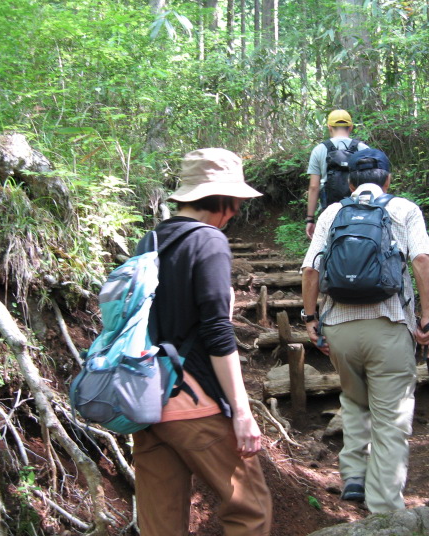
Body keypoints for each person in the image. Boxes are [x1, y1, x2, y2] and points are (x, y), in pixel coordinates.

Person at [132, 148, 272, 536]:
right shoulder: (208, 241)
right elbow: (216, 330)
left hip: (145, 402)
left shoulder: (150, 241)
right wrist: (241, 412)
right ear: (224, 201)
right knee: (250, 510)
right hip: (195, 403)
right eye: (238, 201)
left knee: (160, 524)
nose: (238, 209)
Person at [300, 148, 429, 513]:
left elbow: (311, 270)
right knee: (391, 419)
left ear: (349, 183)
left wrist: (311, 319)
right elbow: (422, 259)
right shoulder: (404, 209)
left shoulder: (333, 211)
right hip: (389, 326)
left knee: (354, 399)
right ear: (388, 180)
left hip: (340, 330)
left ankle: (354, 478)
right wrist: (427, 317)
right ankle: (384, 508)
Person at [305, 109, 369, 239]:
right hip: (359, 207)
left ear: (329, 127)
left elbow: (313, 187)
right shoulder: (363, 149)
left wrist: (310, 219)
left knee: (330, 242)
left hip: (329, 208)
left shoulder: (319, 150)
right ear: (350, 127)